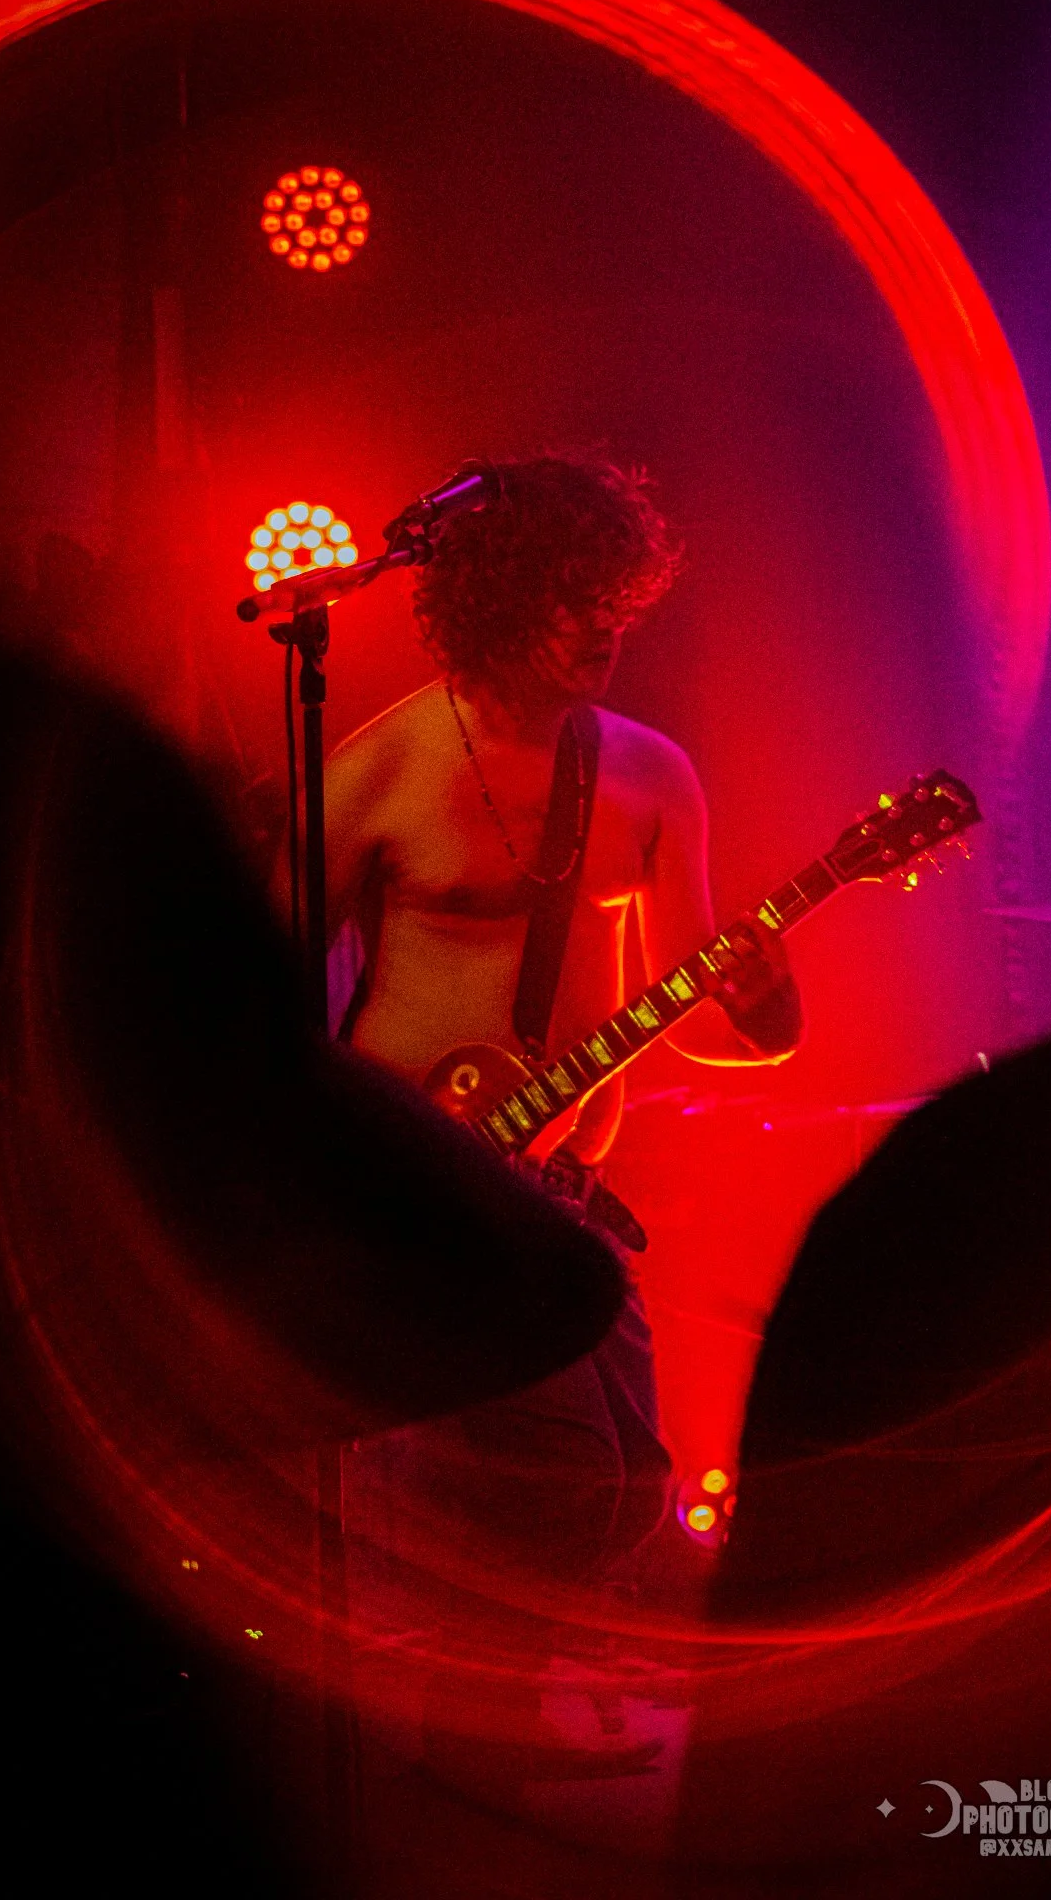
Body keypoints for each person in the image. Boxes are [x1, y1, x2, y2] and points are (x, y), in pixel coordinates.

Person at [320, 456, 804, 1765]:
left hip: (568, 1204)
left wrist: (767, 1004)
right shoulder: (376, 770)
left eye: (624, 603)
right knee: (561, 1475)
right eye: (579, 599)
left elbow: (705, 1027)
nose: (609, 629)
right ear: (498, 595)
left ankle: (478, 1718)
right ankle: (452, 1730)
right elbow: (259, 1002)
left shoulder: (651, 778)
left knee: (634, 1487)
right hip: (421, 1200)